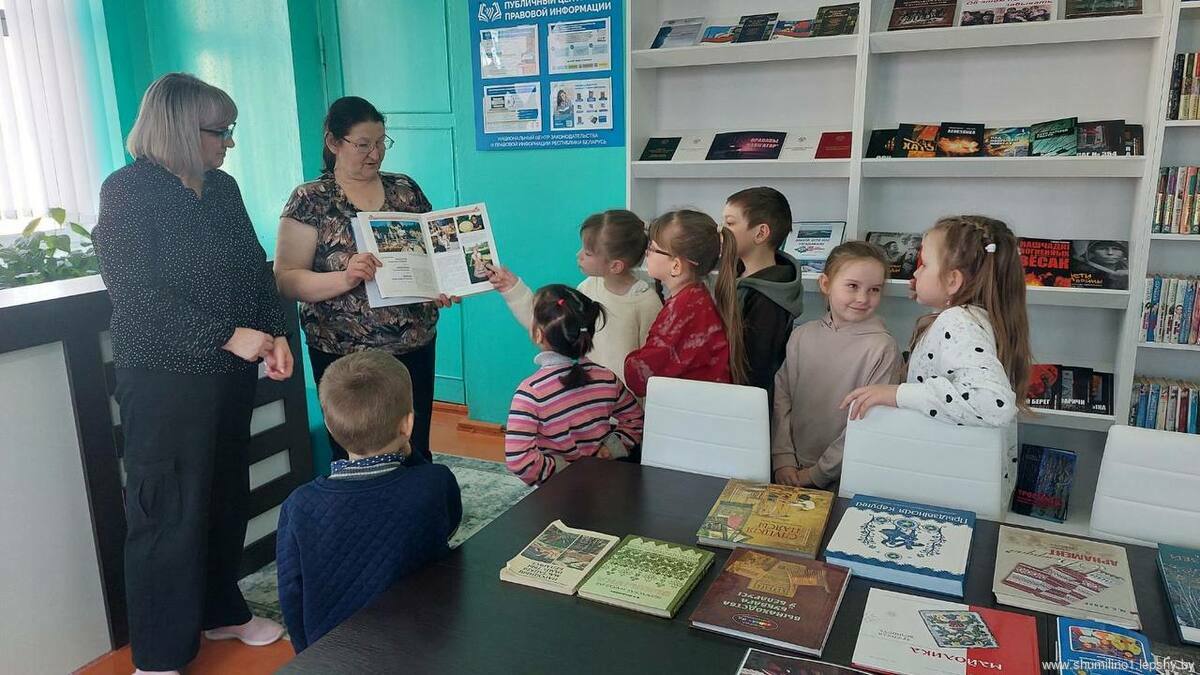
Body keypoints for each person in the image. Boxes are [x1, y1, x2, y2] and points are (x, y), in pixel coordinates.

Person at [92, 73, 290, 675]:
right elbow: (134, 294)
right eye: (219, 131)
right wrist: (228, 335)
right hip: (164, 377)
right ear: (179, 128)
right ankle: (159, 653)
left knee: (224, 495)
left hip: (228, 375)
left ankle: (220, 609)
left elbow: (252, 268)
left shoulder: (222, 188)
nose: (229, 142)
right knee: (165, 510)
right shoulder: (127, 191)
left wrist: (274, 332)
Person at [274, 96, 458, 463]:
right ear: (333, 142)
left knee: (414, 443)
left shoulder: (405, 189)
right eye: (363, 145)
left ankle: (418, 497)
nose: (375, 154)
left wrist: (439, 284)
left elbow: (431, 254)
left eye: (381, 143)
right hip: (343, 352)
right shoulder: (311, 199)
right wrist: (346, 278)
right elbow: (287, 280)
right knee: (353, 451)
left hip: (413, 342)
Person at [276, 350, 461, 652]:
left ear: (330, 427)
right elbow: (449, 525)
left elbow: (291, 592)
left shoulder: (299, 505)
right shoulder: (434, 482)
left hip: (332, 656)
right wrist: (410, 453)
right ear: (408, 425)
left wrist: (306, 657)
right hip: (420, 647)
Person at [842, 216, 1032, 427]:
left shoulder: (958, 321)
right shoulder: (972, 319)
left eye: (924, 265)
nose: (916, 272)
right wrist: (936, 299)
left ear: (952, 280)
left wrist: (898, 394)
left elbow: (993, 404)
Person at [771, 242, 902, 489]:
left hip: (845, 476)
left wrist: (818, 473)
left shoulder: (883, 348)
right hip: (790, 469)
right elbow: (783, 397)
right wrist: (783, 458)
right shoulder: (802, 335)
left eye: (874, 289)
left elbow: (868, 420)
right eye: (852, 286)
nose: (863, 298)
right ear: (825, 284)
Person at [485, 209, 661, 383]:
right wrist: (513, 288)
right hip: (587, 393)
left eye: (588, 253)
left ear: (615, 266)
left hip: (622, 399)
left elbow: (653, 367)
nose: (579, 255)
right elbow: (549, 325)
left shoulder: (647, 303)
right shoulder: (587, 288)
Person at [505, 285, 643, 485]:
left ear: (538, 334)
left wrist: (564, 471)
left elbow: (519, 460)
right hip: (605, 485)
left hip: (560, 493)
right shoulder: (606, 378)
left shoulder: (530, 394)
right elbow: (635, 420)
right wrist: (609, 450)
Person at [624, 209, 745, 397]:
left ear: (676, 266)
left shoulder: (684, 309)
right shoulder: (693, 299)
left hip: (693, 409)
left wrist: (628, 358)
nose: (646, 253)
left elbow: (640, 377)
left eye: (653, 248)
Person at [722, 187, 806, 397]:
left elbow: (757, 371)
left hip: (744, 401)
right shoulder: (736, 273)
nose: (721, 231)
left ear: (760, 233)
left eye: (730, 223)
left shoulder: (768, 300)